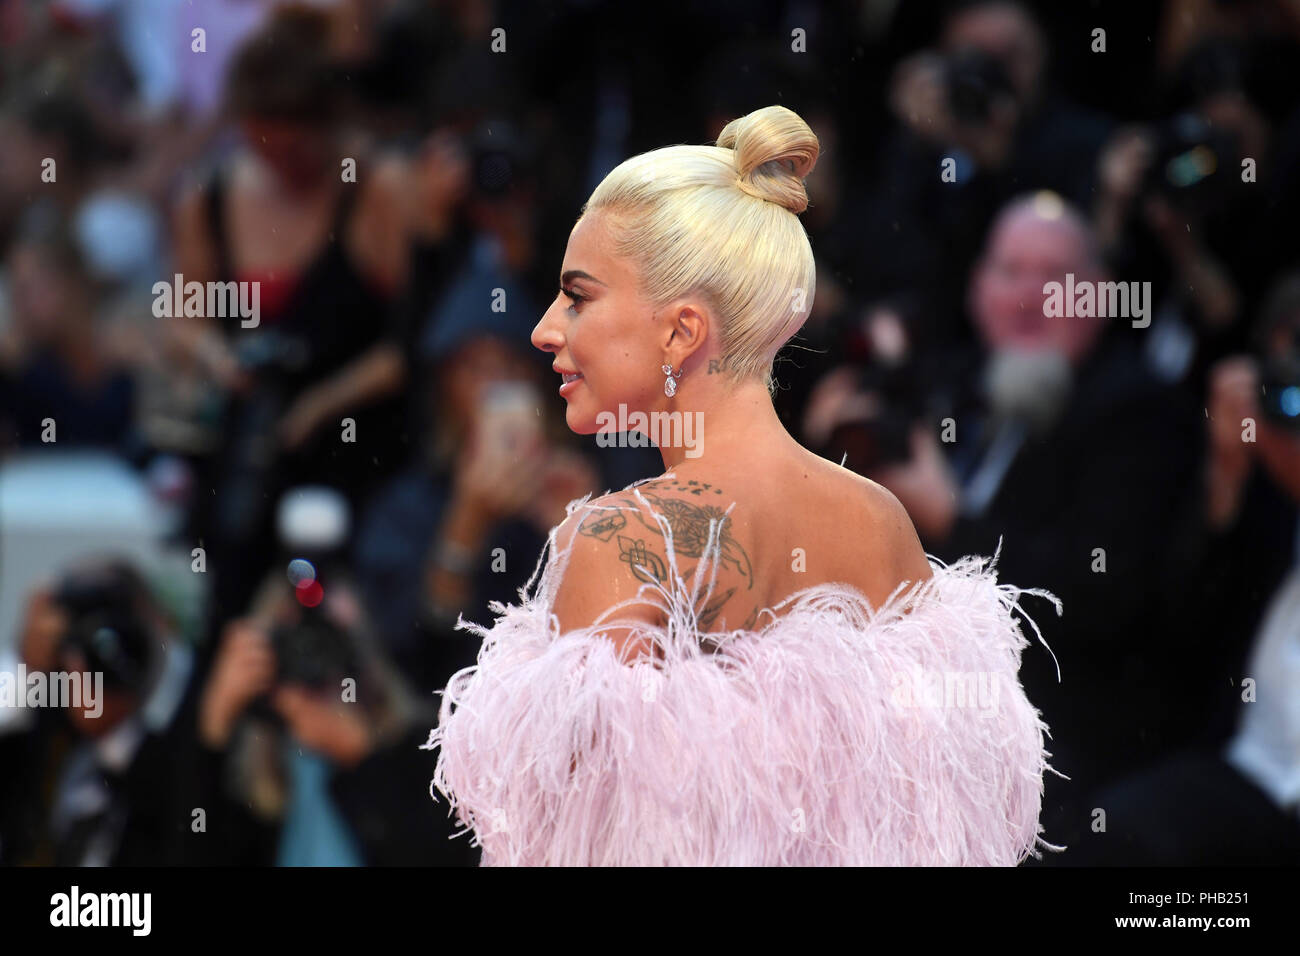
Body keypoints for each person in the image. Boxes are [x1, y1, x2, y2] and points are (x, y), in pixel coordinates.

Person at [426, 105, 1059, 866]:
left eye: (579, 296)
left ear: (682, 332)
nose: (544, 329)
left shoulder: (626, 544)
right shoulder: (880, 519)